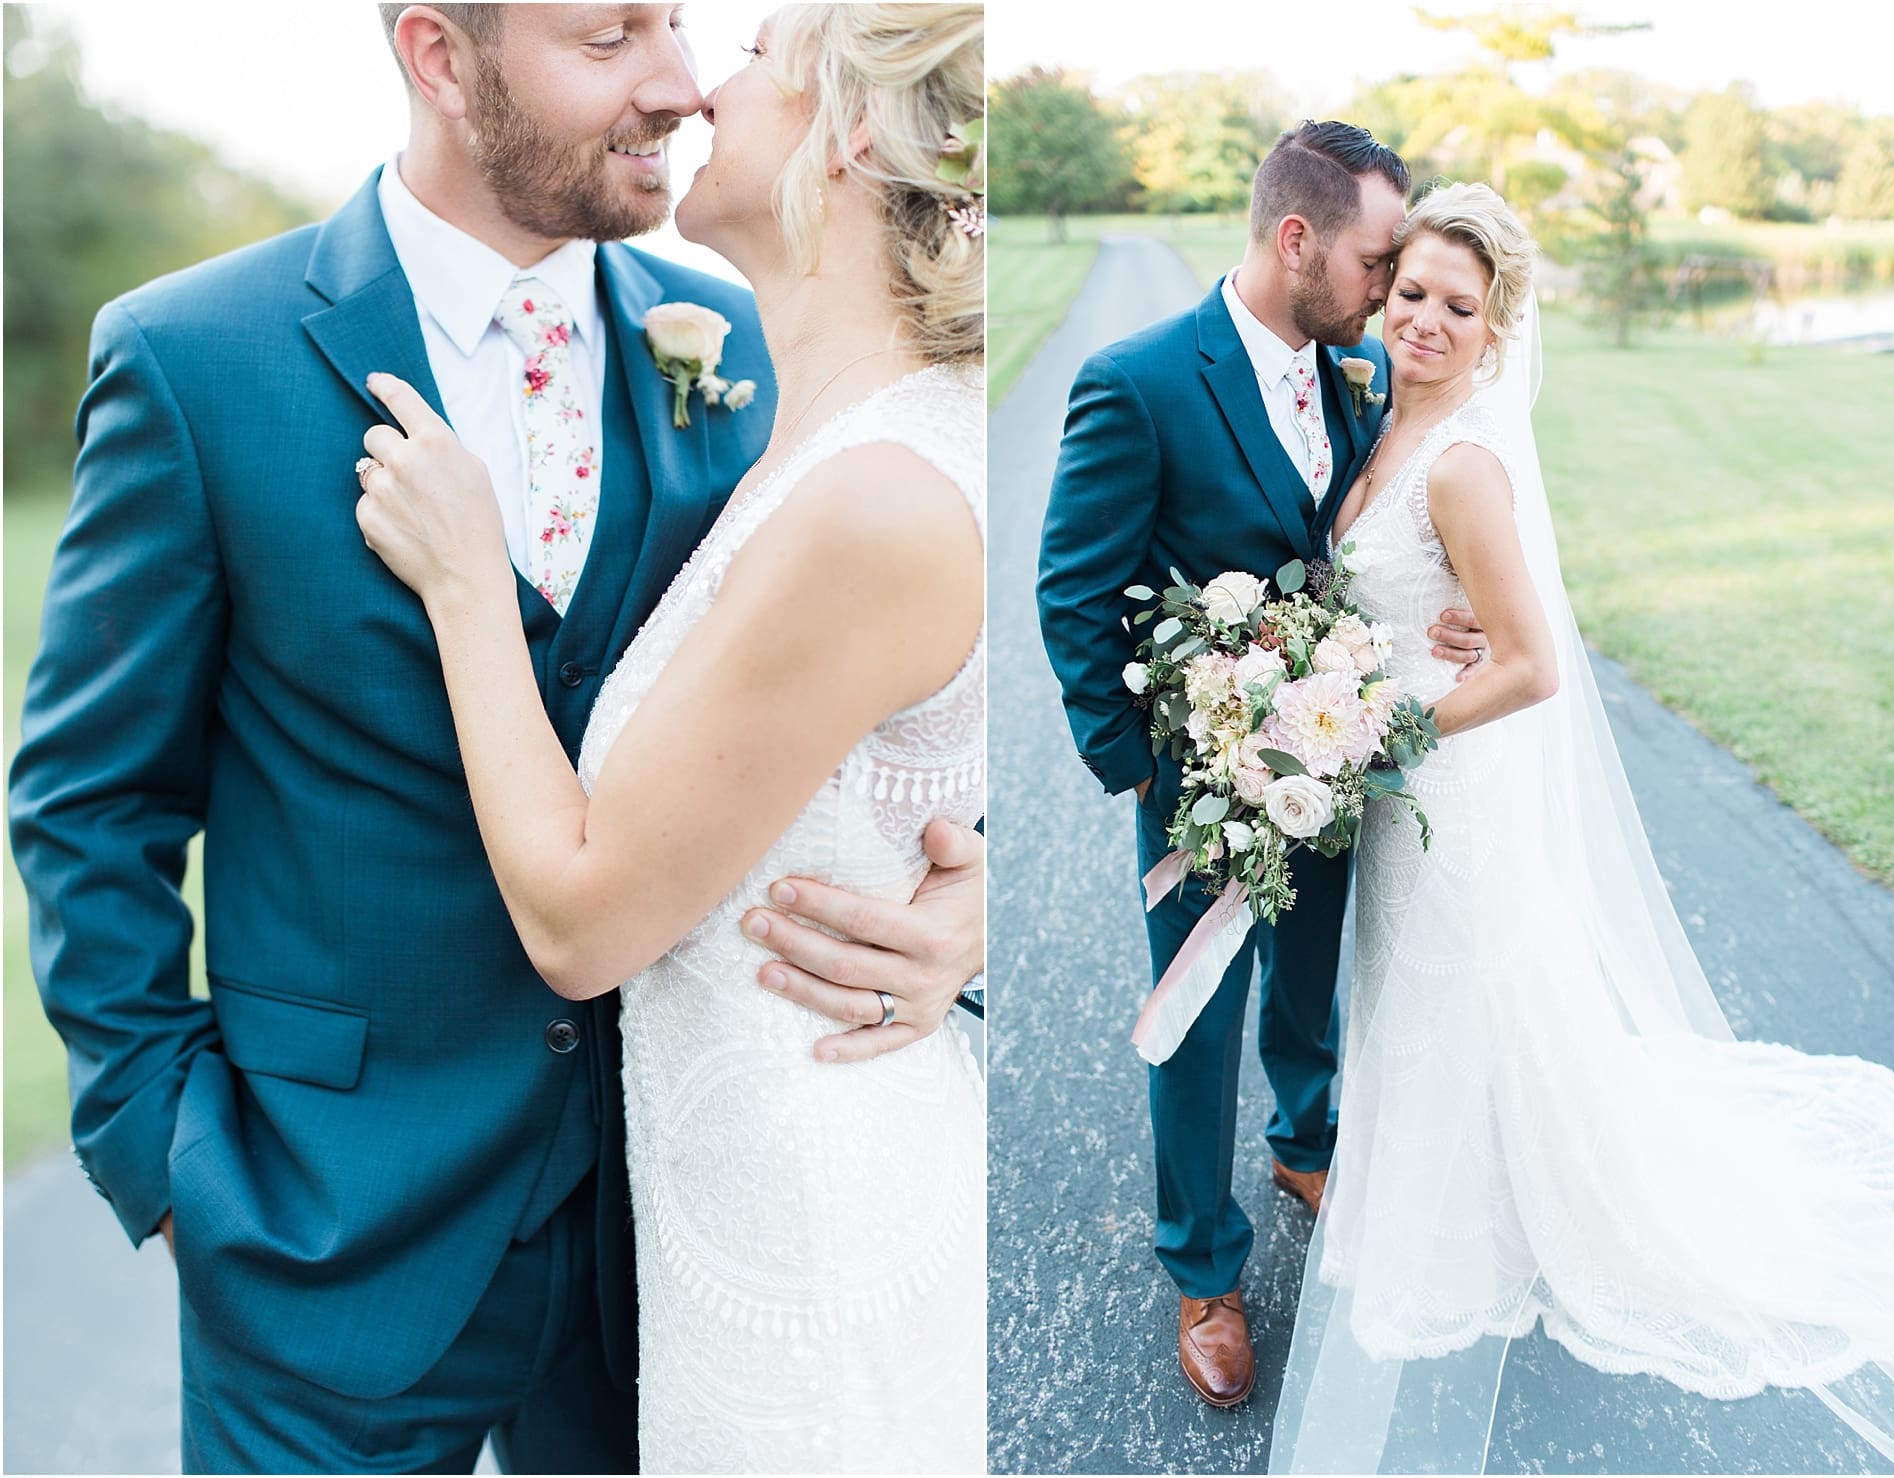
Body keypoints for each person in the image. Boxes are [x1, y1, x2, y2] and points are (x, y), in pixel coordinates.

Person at [7, 4, 983, 1472]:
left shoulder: (753, 349)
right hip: (325, 1242)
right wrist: (167, 1161)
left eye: (676, 23)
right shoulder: (196, 360)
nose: (673, 85)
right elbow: (89, 800)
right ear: (441, 59)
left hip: (667, 1254)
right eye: (608, 41)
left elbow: (888, 694)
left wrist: (974, 907)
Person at [351, 4, 985, 1472]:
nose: (702, 85)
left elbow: (580, 918)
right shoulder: (823, 433)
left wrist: (466, 583)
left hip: (804, 1231)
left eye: (760, 54)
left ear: (858, 131)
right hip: (718, 1198)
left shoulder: (877, 493)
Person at [1270, 181, 1894, 1475]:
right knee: (1438, 994)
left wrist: (1382, 738)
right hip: (1396, 768)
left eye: (1458, 307)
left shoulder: (1465, 460)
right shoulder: (1375, 419)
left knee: (1463, 988)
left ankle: (1509, 1213)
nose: (1425, 318)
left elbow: (1531, 664)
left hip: (1443, 785)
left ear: (1495, 329)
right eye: (1412, 290)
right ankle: (1480, 1187)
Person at [1035, 120, 1487, 1408]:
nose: (1388, 289)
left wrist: (1443, 617)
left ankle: (1304, 1141)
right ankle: (1205, 1273)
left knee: (1310, 975)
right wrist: (1147, 770)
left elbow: (1385, 544)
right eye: (1373, 259)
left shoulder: (1362, 374)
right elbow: (1077, 597)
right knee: (1196, 1026)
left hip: (1337, 753)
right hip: (1203, 778)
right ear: (1297, 239)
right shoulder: (1139, 381)